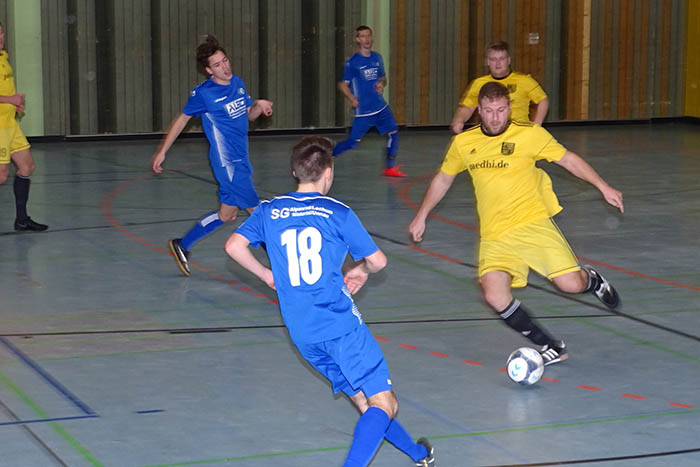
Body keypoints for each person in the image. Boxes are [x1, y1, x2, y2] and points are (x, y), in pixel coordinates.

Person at [225, 136, 435, 467]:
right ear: (328, 173)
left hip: (301, 331)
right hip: (338, 325)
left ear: (295, 171)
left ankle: (419, 454)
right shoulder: (337, 212)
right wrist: (361, 269)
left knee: (368, 405)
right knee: (385, 404)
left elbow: (233, 246)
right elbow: (378, 262)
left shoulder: (269, 210)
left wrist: (267, 275)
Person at [410, 82, 624, 365]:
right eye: (488, 111)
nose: (495, 117)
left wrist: (603, 186)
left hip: (532, 225)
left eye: (501, 110)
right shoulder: (464, 143)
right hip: (494, 235)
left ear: (510, 107)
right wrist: (422, 214)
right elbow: (444, 178)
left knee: (571, 285)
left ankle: (592, 279)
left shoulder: (529, 135)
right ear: (479, 111)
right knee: (494, 295)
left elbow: (568, 160)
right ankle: (551, 345)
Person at [151, 35, 273, 276]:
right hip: (228, 163)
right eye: (217, 65)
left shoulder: (237, 82)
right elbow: (182, 120)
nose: (225, 67)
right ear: (208, 70)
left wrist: (259, 104)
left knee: (226, 215)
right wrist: (162, 151)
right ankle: (283, 264)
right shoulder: (204, 94)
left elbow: (248, 114)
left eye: (225, 60)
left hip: (242, 158)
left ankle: (182, 245)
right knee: (258, 213)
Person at [334, 25, 406, 177]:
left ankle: (390, 168)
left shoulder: (377, 58)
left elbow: (382, 77)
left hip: (380, 106)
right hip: (364, 111)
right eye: (363, 36)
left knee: (394, 133)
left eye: (369, 36)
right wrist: (351, 98)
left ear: (372, 38)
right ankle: (328, 156)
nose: (366, 39)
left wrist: (382, 83)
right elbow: (342, 84)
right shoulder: (353, 62)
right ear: (357, 40)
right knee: (353, 142)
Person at [0, 22, 47, 232]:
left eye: (1, 32)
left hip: (11, 124)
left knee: (27, 167)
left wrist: (15, 104)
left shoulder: (4, 59)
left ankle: (21, 220)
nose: (0, 37)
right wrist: (10, 98)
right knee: (1, 175)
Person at [450, 41, 549, 134]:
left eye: (502, 59)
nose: (497, 63)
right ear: (488, 61)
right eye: (493, 59)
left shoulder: (524, 80)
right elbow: (467, 106)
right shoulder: (478, 83)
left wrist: (537, 125)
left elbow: (543, 100)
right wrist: (459, 120)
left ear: (508, 60)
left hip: (519, 133)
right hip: (491, 133)